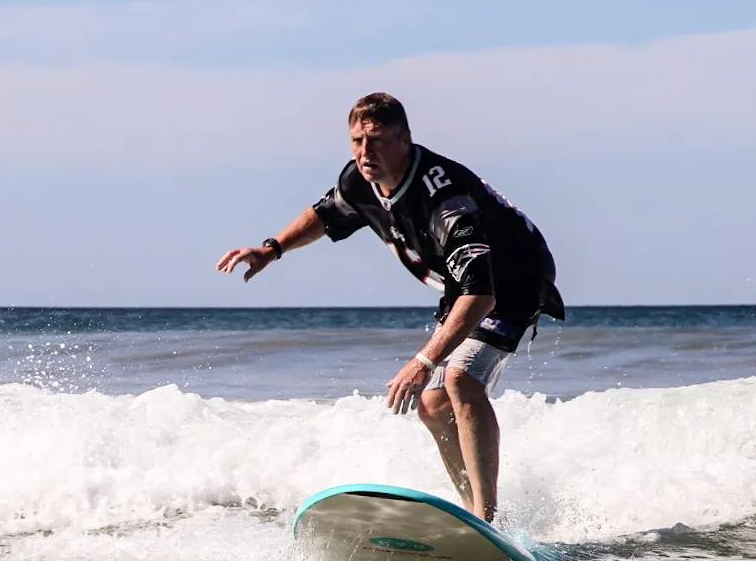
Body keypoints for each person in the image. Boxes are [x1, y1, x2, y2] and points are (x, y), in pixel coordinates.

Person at [216, 92, 563, 523]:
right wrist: (272, 249)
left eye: (376, 140)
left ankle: (486, 518)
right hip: (466, 286)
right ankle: (473, 516)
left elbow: (482, 294)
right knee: (433, 405)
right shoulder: (361, 180)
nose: (365, 152)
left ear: (405, 140)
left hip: (514, 279)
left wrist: (422, 359)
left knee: (460, 379)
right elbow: (324, 215)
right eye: (357, 141)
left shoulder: (444, 199)